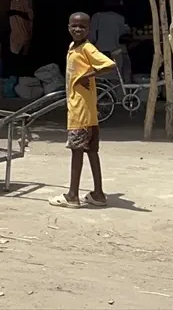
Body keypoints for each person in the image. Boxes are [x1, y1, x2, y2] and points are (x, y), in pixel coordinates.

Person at [50, 12, 116, 209]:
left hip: (80, 111)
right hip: (87, 110)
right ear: (68, 26)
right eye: (74, 26)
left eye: (82, 27)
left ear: (89, 29)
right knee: (91, 151)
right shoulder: (73, 47)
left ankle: (72, 195)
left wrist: (88, 75)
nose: (78, 29)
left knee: (77, 151)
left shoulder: (87, 48)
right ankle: (98, 194)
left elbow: (109, 64)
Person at [89, 2, 131, 82]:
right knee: (119, 79)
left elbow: (92, 38)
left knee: (99, 79)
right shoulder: (120, 18)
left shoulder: (96, 16)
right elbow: (125, 35)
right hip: (117, 53)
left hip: (100, 53)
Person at [7, 0, 34, 76]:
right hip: (15, 33)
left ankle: (23, 73)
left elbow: (30, 16)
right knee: (15, 56)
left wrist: (16, 12)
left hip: (24, 34)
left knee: (23, 56)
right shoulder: (13, 1)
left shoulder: (26, 0)